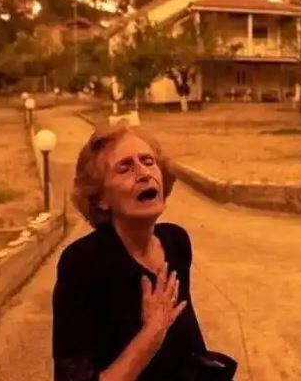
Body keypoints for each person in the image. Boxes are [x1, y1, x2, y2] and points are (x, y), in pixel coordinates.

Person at [52, 123, 235, 380]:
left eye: (148, 161)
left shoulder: (176, 242)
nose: (143, 173)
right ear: (101, 198)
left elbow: (186, 349)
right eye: (125, 168)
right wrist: (151, 335)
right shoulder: (82, 263)